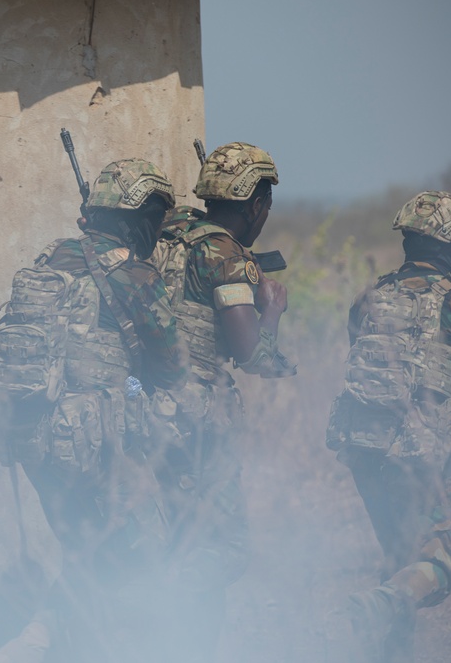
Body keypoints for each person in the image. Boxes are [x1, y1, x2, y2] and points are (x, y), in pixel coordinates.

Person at [0, 158, 186, 663]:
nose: (158, 232)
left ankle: (38, 643)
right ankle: (36, 645)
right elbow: (172, 363)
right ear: (138, 218)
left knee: (88, 558)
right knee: (144, 557)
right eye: (157, 219)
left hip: (38, 444)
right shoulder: (135, 272)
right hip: (96, 451)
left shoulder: (49, 259)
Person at [326, 191, 451, 661]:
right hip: (419, 458)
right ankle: (379, 605)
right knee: (444, 562)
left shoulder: (370, 296)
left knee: (398, 558)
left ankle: (388, 648)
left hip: (364, 452)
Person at [147, 140, 294, 661]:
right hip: (195, 422)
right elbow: (251, 354)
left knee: (176, 535)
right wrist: (272, 308)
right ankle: (151, 611)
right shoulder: (225, 253)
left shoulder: (167, 233)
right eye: (266, 205)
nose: (266, 216)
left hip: (145, 412)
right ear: (253, 204)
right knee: (225, 549)